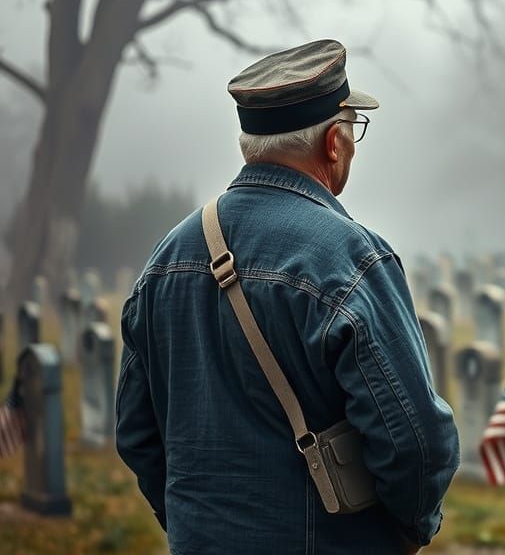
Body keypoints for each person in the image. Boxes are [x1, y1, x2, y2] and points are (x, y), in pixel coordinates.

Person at [115, 39, 459, 555]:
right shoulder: (351, 258)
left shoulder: (166, 259)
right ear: (334, 143)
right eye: (353, 131)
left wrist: (197, 526)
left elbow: (136, 431)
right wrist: (412, 529)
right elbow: (415, 440)